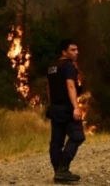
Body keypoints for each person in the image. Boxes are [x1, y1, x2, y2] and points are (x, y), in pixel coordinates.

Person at [46, 39, 86, 183]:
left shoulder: (52, 66)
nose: (76, 53)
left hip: (55, 108)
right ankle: (63, 169)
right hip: (66, 109)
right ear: (64, 52)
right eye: (73, 50)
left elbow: (49, 88)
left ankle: (58, 173)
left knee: (56, 141)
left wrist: (51, 106)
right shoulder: (68, 66)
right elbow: (70, 86)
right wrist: (76, 107)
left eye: (76, 50)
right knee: (78, 136)